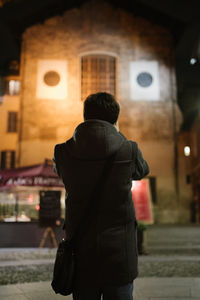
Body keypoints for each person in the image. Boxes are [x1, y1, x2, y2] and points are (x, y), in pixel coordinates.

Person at [53, 92, 149, 300]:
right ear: (115, 119)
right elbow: (142, 171)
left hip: (81, 252)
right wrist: (118, 135)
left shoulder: (62, 152)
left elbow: (59, 171)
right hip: (120, 253)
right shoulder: (128, 149)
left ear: (85, 116)